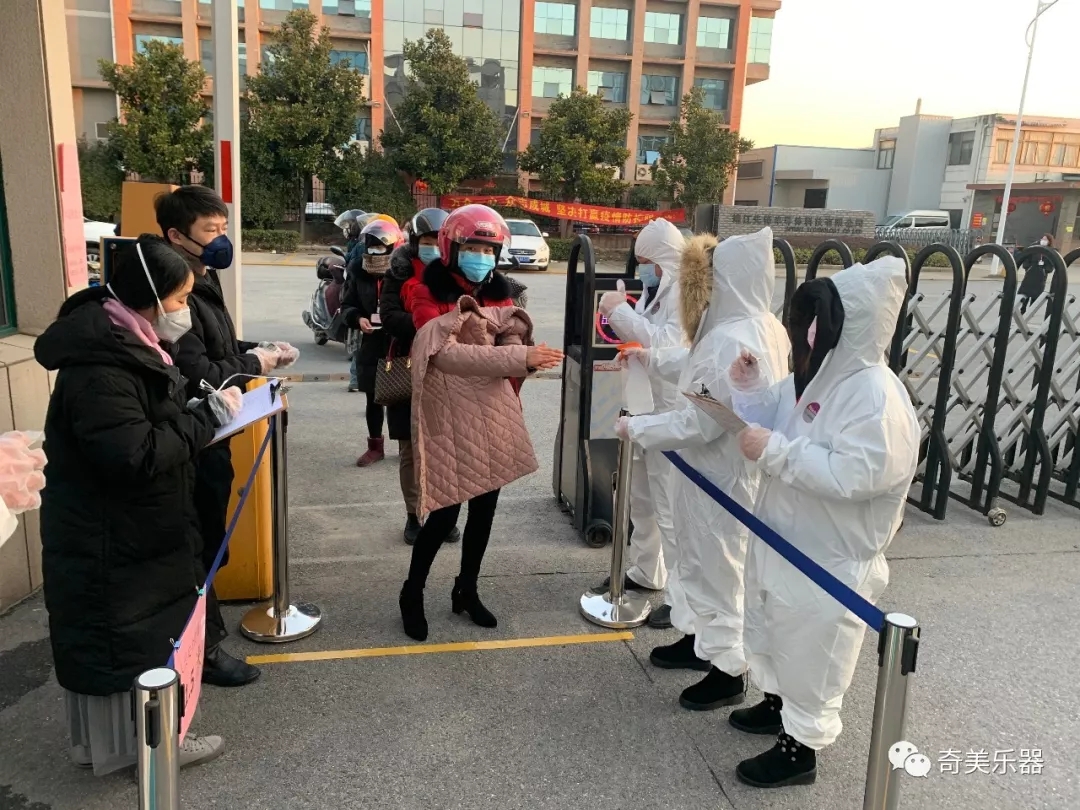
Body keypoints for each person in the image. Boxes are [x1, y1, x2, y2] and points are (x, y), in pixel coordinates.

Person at [36, 235, 244, 773]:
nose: (184, 311)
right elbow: (135, 454)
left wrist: (195, 409)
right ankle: (149, 751)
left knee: (127, 640)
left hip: (129, 527)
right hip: (112, 533)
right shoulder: (102, 365)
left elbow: (148, 423)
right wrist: (205, 419)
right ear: (150, 299)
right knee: (126, 641)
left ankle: (123, 745)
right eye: (179, 299)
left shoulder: (129, 341)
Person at [727, 257, 919, 788]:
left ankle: (800, 749)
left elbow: (857, 475)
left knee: (814, 653)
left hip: (830, 556)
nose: (810, 329)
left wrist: (777, 452)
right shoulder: (823, 377)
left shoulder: (876, 395)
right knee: (778, 632)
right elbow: (780, 421)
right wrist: (751, 387)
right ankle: (779, 705)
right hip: (791, 540)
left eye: (821, 317)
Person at [616, 227, 790, 712]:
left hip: (719, 477)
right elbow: (696, 364)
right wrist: (651, 357)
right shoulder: (757, 325)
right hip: (717, 474)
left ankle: (727, 670)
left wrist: (639, 427)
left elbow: (702, 418)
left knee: (719, 571)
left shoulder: (734, 334)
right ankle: (701, 642)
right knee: (701, 563)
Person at [398, 204, 563, 641]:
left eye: (490, 250)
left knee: (484, 512)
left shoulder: (499, 292)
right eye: (473, 248)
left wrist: (522, 353)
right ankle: (412, 593)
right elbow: (445, 354)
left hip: (491, 411)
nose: (482, 257)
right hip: (449, 414)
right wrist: (517, 355)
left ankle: (466, 588)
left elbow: (509, 334)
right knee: (443, 514)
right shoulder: (424, 291)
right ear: (452, 248)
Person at [157, 185, 298, 688]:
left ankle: (202, 636)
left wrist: (259, 349)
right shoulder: (173, 291)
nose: (221, 239)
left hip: (214, 432)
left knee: (210, 539)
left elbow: (218, 347)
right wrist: (252, 362)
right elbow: (197, 371)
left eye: (223, 228)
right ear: (177, 236)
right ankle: (206, 651)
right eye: (210, 230)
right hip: (191, 438)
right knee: (197, 547)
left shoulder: (202, 277)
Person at [595, 219, 686, 626]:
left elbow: (666, 345)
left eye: (647, 261)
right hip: (646, 408)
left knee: (670, 506)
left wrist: (620, 313)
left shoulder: (685, 294)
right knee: (642, 500)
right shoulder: (656, 289)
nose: (642, 269)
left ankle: (682, 599)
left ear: (664, 259)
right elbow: (646, 338)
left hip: (671, 413)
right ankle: (648, 571)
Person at [381, 208, 461, 545]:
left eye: (438, 241)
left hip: (447, 370)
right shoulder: (398, 274)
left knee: (445, 448)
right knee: (410, 451)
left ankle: (442, 514)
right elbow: (389, 317)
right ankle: (414, 515)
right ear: (415, 242)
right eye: (426, 241)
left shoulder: (455, 274)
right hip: (407, 366)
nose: (433, 247)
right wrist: (427, 325)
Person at [340, 217, 405, 467]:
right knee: (373, 397)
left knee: (403, 397)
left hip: (399, 342)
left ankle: (406, 447)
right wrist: (358, 319)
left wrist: (398, 322)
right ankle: (375, 447)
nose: (375, 251)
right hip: (371, 343)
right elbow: (347, 305)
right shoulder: (358, 272)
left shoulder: (403, 274)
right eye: (371, 246)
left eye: (380, 246)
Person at [1016, 233, 1055, 314]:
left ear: (1049, 241)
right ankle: (1023, 308)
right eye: (1043, 239)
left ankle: (1031, 310)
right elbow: (1027, 259)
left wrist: (1045, 270)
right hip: (1031, 273)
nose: (1043, 240)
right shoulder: (1034, 248)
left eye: (1046, 239)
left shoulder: (1050, 251)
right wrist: (1028, 267)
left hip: (1041, 275)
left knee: (1036, 294)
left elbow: (1051, 264)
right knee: (1026, 292)